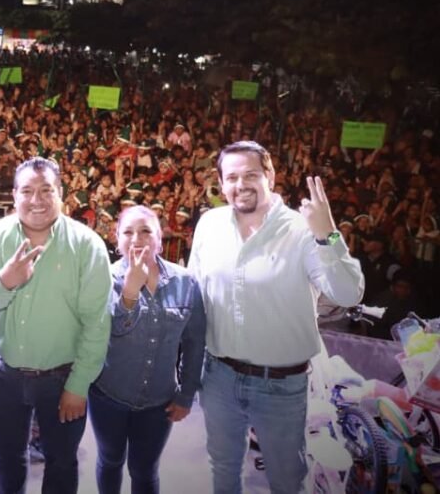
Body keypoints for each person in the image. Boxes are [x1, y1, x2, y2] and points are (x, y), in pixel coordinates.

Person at [189, 141, 364, 494]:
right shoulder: (209, 224)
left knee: (286, 480)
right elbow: (196, 292)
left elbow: (349, 293)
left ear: (270, 175)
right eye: (232, 177)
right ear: (221, 184)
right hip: (219, 378)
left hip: (280, 386)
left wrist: (327, 234)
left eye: (251, 175)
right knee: (223, 469)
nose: (241, 185)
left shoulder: (302, 230)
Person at [0, 156, 112, 493]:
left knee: (62, 461)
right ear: (14, 195)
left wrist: (78, 385)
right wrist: (7, 280)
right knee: (7, 458)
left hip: (62, 378)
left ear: (61, 193)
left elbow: (97, 323)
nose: (36, 200)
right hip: (4, 374)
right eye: (27, 191)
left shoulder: (87, 244)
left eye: (46, 190)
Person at [87, 205, 206, 494]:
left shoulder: (186, 282)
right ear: (116, 240)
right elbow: (108, 333)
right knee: (111, 460)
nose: (136, 238)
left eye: (145, 231)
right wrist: (129, 293)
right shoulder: (102, 279)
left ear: (160, 239)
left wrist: (186, 394)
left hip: (159, 402)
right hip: (109, 396)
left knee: (144, 469)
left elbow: (195, 343)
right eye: (127, 232)